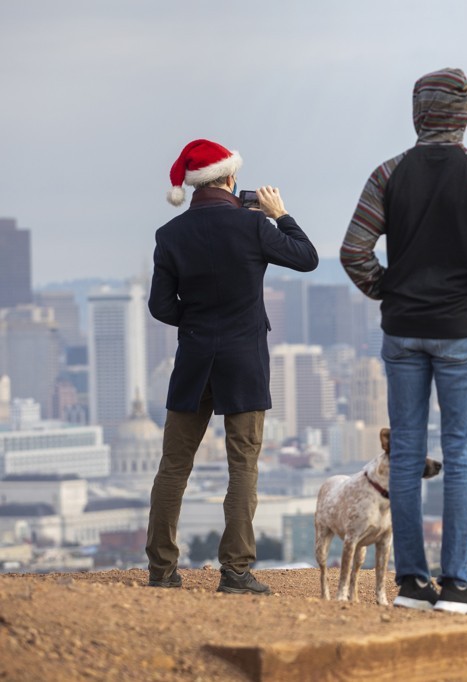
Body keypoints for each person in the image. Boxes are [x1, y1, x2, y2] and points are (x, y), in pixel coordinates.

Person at [341, 68, 467, 614]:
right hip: (462, 328)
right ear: (465, 114)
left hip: (402, 330)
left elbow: (354, 251)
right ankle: (459, 585)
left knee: (406, 456)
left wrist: (389, 290)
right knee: (461, 454)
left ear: (417, 113)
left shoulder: (388, 174)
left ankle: (413, 586)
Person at [147, 139, 319, 594]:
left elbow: (161, 306)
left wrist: (198, 322)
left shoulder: (170, 235)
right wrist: (279, 213)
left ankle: (161, 571)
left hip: (193, 360)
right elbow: (307, 258)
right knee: (242, 464)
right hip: (244, 360)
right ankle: (236, 572)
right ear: (228, 179)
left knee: (174, 466)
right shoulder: (253, 226)